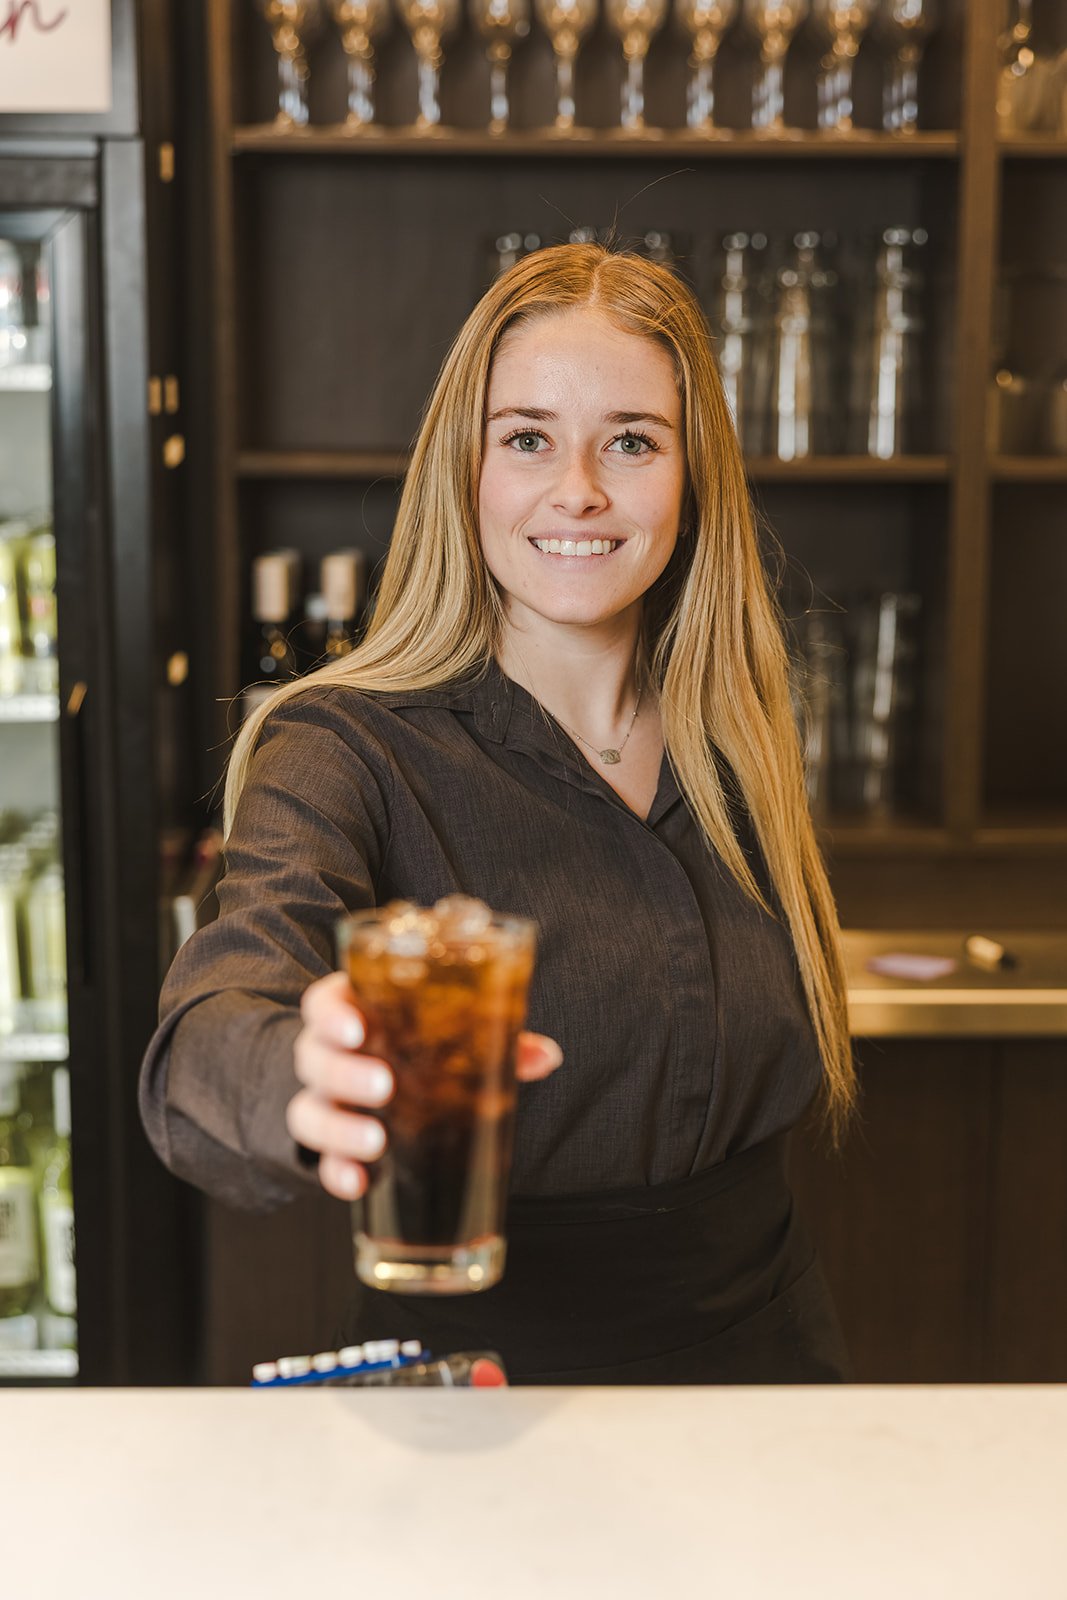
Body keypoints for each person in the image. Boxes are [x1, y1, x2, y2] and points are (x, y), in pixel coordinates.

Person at [139, 242, 856, 1384]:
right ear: (463, 473)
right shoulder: (343, 747)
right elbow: (206, 1038)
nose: (577, 487)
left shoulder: (740, 732)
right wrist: (300, 1066)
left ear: (692, 478)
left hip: (768, 1374)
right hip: (484, 1388)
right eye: (526, 438)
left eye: (630, 440)